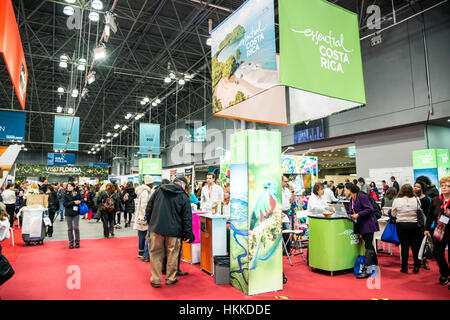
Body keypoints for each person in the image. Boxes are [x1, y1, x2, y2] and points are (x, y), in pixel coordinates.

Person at [145, 176, 195, 288]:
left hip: (156, 228)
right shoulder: (183, 196)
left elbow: (149, 207)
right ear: (182, 185)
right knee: (173, 254)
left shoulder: (159, 190)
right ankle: (170, 278)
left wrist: (150, 222)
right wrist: (187, 233)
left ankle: (155, 279)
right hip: (174, 231)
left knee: (155, 253)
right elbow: (187, 218)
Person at [344, 183, 379, 279]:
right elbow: (354, 210)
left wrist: (358, 214)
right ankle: (375, 264)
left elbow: (369, 209)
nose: (344, 192)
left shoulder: (362, 196)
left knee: (368, 246)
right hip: (362, 225)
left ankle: (367, 270)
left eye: (345, 190)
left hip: (368, 224)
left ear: (350, 190)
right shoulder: (353, 198)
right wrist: (344, 212)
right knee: (369, 245)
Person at [425, 176, 450, 289]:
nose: (444, 188)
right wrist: (426, 228)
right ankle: (444, 273)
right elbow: (430, 215)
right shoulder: (436, 200)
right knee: (438, 253)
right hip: (439, 231)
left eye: (447, 186)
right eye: (442, 186)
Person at [391, 184, 422, 274]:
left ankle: (404, 267)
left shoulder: (397, 200)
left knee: (404, 246)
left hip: (401, 224)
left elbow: (393, 214)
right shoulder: (416, 199)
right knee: (415, 246)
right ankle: (416, 266)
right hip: (414, 224)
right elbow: (419, 210)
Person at [134, 176, 155, 260]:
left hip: (141, 215)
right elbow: (144, 205)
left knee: (141, 233)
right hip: (143, 216)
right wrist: (146, 216)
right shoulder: (146, 192)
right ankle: (141, 251)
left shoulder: (143, 191)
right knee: (143, 234)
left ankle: (141, 250)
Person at [413, 180, 432, 270]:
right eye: (415, 186)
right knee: (415, 243)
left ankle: (424, 260)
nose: (415, 188)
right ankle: (417, 260)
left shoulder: (426, 199)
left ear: (422, 189)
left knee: (423, 243)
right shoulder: (411, 198)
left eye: (418, 187)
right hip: (413, 223)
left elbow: (429, 213)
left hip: (423, 224)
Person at [63, 183, 84, 249]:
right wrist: (73, 202)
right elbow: (64, 204)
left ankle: (77, 242)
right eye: (68, 186)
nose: (69, 187)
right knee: (70, 228)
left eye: (70, 186)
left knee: (76, 228)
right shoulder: (64, 194)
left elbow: (82, 199)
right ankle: (71, 242)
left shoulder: (77, 193)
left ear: (73, 187)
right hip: (68, 213)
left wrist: (79, 201)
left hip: (76, 212)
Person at [282, 176, 295, 254]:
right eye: (285, 181)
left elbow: (292, 200)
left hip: (286, 212)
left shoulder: (286, 190)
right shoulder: (277, 190)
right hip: (280, 213)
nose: (287, 183)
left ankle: (287, 250)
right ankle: (284, 251)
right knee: (283, 232)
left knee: (287, 232)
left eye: (287, 181)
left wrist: (293, 192)